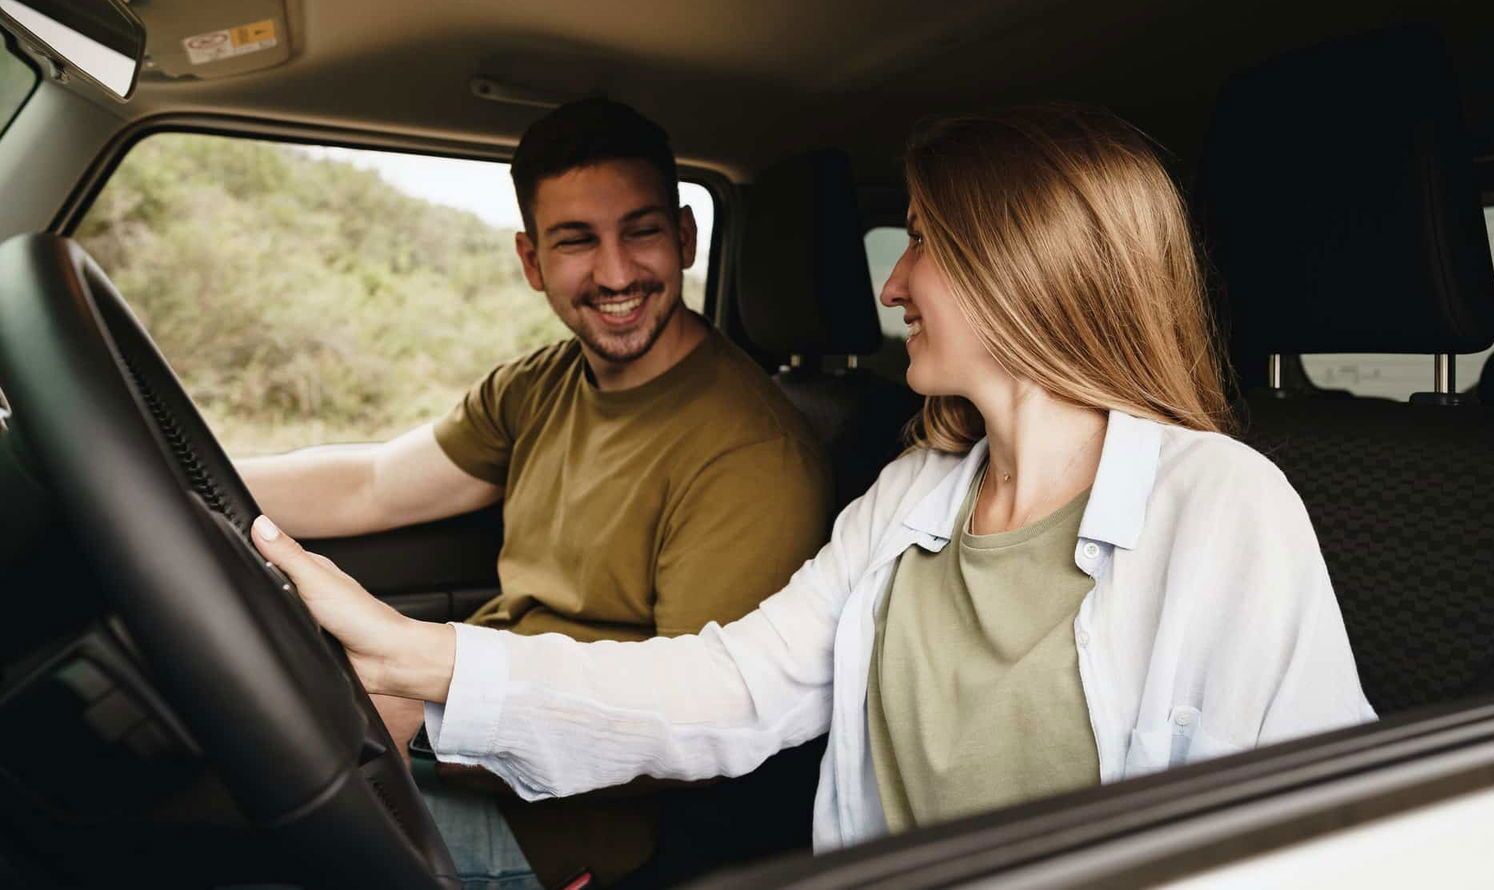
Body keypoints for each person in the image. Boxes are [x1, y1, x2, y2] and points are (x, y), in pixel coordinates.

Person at [252, 102, 1375, 855]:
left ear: (1024, 269)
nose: (896, 288)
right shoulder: (918, 488)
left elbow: (1306, 845)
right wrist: (422, 656)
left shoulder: (1221, 507)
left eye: (924, 242)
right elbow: (732, 688)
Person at [238, 98, 832, 886]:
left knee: (240, 846)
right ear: (531, 261)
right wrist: (179, 470)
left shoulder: (751, 454)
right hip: (457, 731)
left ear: (685, 237)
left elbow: (699, 736)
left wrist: (434, 728)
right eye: (578, 241)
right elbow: (373, 484)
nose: (616, 273)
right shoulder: (543, 382)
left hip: (568, 830)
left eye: (642, 231)